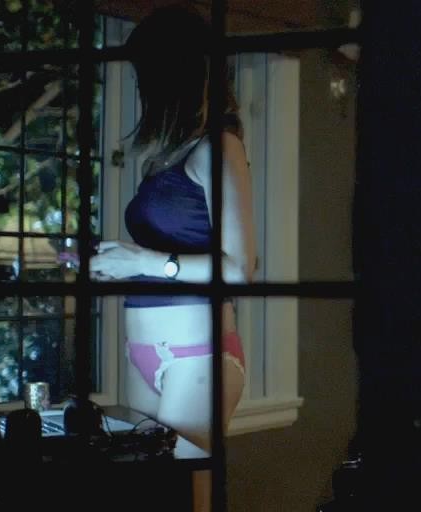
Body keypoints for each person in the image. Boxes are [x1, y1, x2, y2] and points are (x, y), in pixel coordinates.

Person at [89, 6, 254, 511]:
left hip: (199, 354)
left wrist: (143, 261)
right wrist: (120, 263)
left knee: (183, 500)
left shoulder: (219, 147)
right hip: (146, 354)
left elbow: (240, 269)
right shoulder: (169, 156)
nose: (141, 86)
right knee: (151, 497)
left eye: (145, 72)